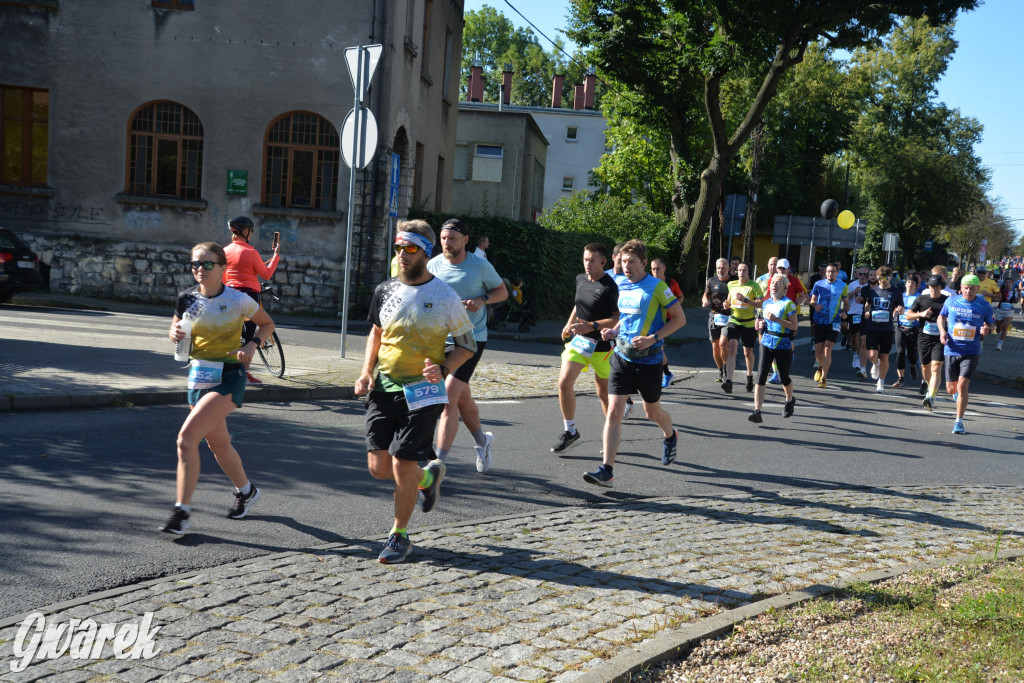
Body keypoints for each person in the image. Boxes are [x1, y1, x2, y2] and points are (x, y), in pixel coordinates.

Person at [355, 221, 476, 563]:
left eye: (410, 249)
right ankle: (428, 477)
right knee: (379, 468)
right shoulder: (386, 290)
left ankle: (399, 535)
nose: (402, 256)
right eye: (398, 248)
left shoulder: (444, 296)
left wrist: (444, 368)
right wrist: (366, 372)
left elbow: (467, 345)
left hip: (424, 391)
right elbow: (376, 333)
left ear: (426, 252)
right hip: (384, 387)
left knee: (402, 462)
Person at [161, 242, 276, 536]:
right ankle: (246, 491)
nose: (200, 269)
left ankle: (182, 513)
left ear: (223, 268)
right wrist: (172, 332)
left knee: (186, 439)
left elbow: (266, 324)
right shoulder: (186, 299)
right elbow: (176, 329)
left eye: (207, 264)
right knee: (218, 444)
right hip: (198, 376)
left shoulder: (239, 300)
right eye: (195, 264)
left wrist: (251, 344)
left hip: (229, 376)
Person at [583, 239, 685, 488]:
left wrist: (653, 339)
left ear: (643, 264)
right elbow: (625, 318)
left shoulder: (658, 287)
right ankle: (607, 470)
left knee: (652, 412)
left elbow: (680, 320)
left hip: (649, 361)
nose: (625, 266)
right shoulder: (622, 285)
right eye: (623, 261)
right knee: (615, 411)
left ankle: (670, 435)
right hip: (622, 357)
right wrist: (613, 331)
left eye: (631, 262)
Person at [427, 218, 508, 473]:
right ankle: (483, 442)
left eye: (452, 238)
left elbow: (502, 292)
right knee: (462, 399)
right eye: (443, 238)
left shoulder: (480, 265)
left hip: (471, 340)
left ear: (465, 240)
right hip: (440, 339)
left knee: (448, 398)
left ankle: (436, 463)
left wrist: (482, 299)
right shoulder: (433, 264)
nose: (447, 243)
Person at [552, 243, 619, 454]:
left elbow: (616, 319)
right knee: (564, 383)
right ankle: (571, 431)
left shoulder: (609, 286)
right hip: (579, 343)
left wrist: (592, 326)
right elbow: (578, 304)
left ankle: (611, 434)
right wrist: (568, 323)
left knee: (604, 393)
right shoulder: (580, 279)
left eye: (592, 260)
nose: (587, 264)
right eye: (585, 259)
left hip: (602, 348)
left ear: (603, 262)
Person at [223, 215, 280, 385]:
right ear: (245, 231)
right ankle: (245, 373)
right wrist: (275, 256)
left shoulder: (224, 251)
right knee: (250, 335)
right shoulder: (250, 252)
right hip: (248, 295)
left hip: (230, 293)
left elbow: (223, 277)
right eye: (251, 231)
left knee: (230, 332)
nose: (252, 234)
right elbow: (266, 274)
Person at [938, 274, 994, 435]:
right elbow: (941, 317)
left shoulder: (983, 305)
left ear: (977, 289)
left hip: (971, 351)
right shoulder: (951, 301)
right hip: (951, 349)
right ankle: (957, 396)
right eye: (966, 288)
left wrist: (987, 330)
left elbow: (991, 325)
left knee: (963, 386)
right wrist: (942, 332)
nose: (968, 291)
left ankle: (959, 422)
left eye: (972, 288)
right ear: (961, 288)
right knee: (951, 389)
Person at [749, 274, 798, 423]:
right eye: (772, 283)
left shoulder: (788, 304)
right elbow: (763, 323)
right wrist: (760, 326)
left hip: (783, 344)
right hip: (766, 342)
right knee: (761, 377)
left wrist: (777, 319)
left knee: (784, 377)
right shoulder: (765, 303)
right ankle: (757, 411)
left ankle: (789, 400)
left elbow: (794, 326)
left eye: (778, 283)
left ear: (784, 287)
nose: (774, 286)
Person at [905, 273, 949, 410]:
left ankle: (931, 396)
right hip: (924, 337)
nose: (934, 289)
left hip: (940, 338)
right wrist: (921, 314)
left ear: (941, 287)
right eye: (931, 286)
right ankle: (930, 387)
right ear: (928, 286)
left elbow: (954, 316)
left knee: (936, 366)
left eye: (936, 287)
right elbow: (908, 316)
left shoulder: (947, 301)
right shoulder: (921, 299)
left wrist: (949, 321)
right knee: (925, 367)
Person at [722, 262, 764, 394]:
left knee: (748, 352)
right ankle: (728, 381)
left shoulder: (754, 286)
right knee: (732, 347)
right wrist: (726, 304)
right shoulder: (731, 284)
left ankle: (750, 375)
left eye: (744, 270)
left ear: (748, 272)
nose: (741, 272)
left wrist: (746, 300)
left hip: (749, 323)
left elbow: (761, 303)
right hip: (734, 321)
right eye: (739, 270)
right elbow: (729, 300)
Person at [859, 265, 901, 393]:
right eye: (880, 277)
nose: (883, 279)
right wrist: (867, 311)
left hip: (887, 328)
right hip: (872, 327)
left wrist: (900, 311)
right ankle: (875, 364)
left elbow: (901, 307)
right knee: (872, 355)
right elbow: (867, 305)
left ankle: (881, 382)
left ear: (890, 277)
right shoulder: (872, 291)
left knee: (884, 356)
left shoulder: (895, 291)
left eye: (886, 277)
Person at [808, 264, 848, 389]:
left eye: (833, 271)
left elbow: (846, 304)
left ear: (837, 272)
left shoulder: (843, 286)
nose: (831, 274)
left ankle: (824, 378)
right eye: (829, 271)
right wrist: (815, 306)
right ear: (825, 272)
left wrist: (844, 312)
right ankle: (820, 366)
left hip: (835, 321)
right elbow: (812, 300)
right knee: (818, 351)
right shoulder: (818, 284)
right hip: (820, 320)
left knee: (827, 348)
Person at [650, 257, 682, 387]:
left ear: (664, 269)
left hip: (667, 319)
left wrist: (674, 307)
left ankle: (662, 375)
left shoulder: (671, 283)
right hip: (652, 319)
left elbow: (680, 296)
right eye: (653, 269)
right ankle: (666, 374)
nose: (655, 271)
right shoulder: (649, 282)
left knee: (658, 347)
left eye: (658, 268)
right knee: (656, 348)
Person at [703, 258, 732, 383]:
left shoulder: (734, 281)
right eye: (719, 268)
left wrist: (730, 303)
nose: (721, 270)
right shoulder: (711, 280)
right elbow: (706, 294)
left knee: (723, 344)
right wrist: (704, 299)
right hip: (714, 315)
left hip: (729, 317)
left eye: (723, 268)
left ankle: (726, 369)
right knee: (715, 346)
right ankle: (721, 370)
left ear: (728, 269)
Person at [892, 274, 921, 388]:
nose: (910, 285)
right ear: (905, 284)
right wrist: (896, 312)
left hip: (914, 328)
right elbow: (894, 312)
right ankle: (901, 379)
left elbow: (921, 313)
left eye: (912, 283)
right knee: (900, 353)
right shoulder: (901, 296)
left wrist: (916, 316)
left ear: (916, 285)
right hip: (901, 327)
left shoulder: (919, 298)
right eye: (908, 282)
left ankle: (913, 366)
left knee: (912, 354)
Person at [845, 267, 869, 367]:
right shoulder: (852, 285)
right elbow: (846, 298)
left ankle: (859, 358)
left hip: (865, 313)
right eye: (860, 274)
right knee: (854, 336)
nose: (862, 276)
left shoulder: (870, 286)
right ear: (857, 275)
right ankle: (855, 355)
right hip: (853, 312)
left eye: (865, 274)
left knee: (861, 337)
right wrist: (854, 292)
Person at [995, 275, 1018, 350]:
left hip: (1009, 311)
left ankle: (999, 345)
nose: (1008, 284)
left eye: (1009, 282)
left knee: (1005, 327)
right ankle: (999, 333)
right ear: (1004, 284)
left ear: (1012, 283)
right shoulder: (1001, 290)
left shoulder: (1014, 292)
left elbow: (1016, 301)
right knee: (998, 328)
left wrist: (1019, 296)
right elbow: (997, 298)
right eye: (1006, 282)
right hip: (1000, 310)